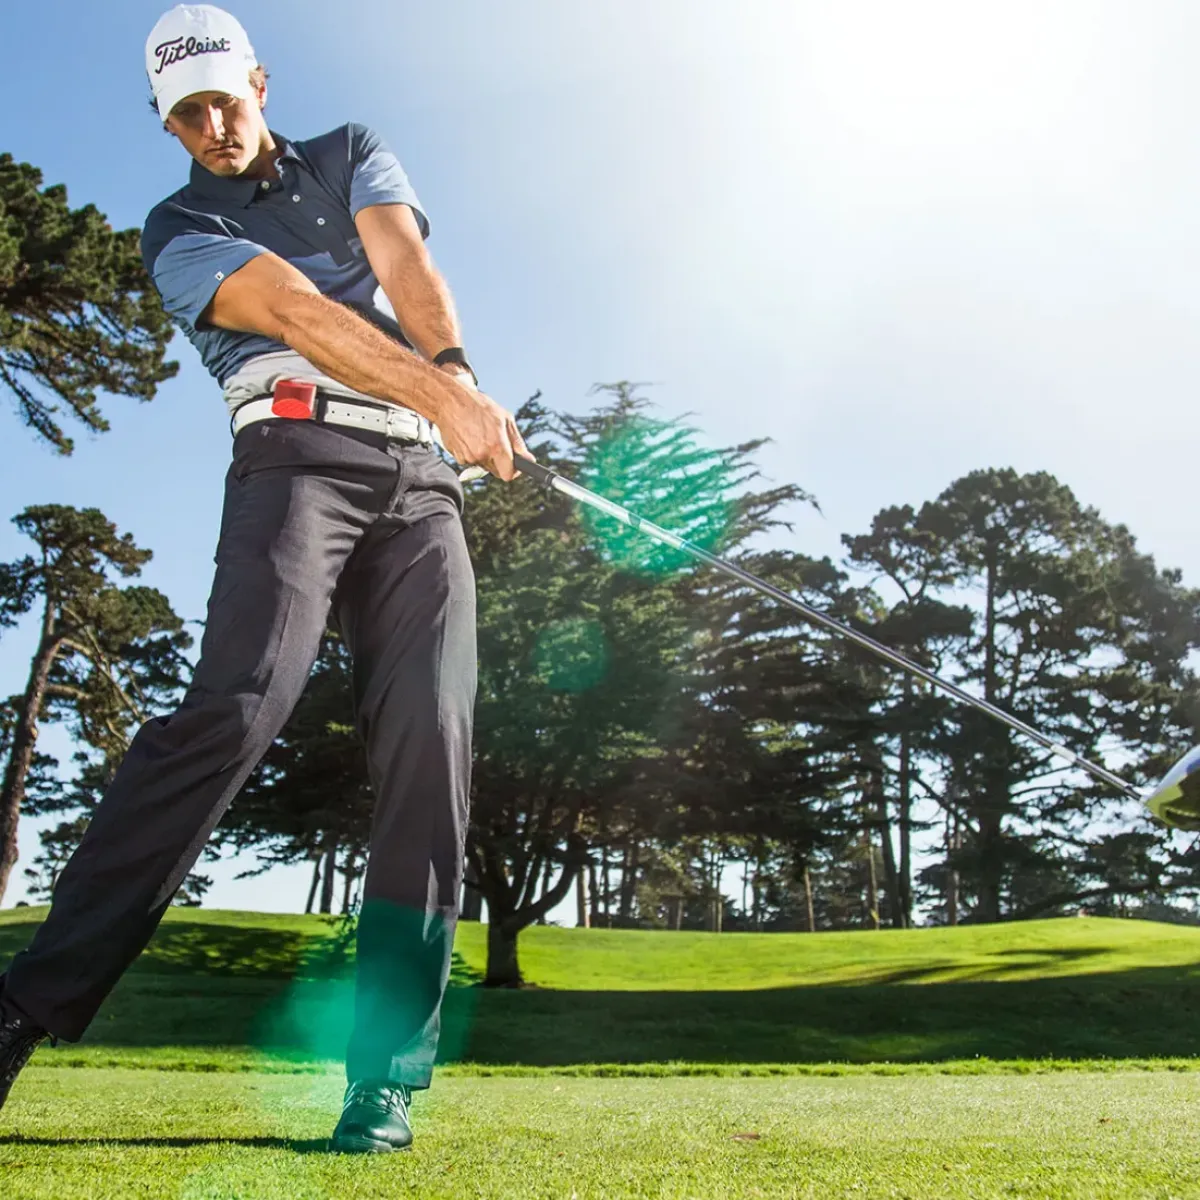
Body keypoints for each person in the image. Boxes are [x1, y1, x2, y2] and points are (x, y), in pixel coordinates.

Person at [0, 2, 529, 1154]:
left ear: (260, 83)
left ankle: (383, 1080)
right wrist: (443, 396)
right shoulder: (179, 224)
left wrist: (453, 373)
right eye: (184, 114)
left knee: (433, 740)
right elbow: (294, 310)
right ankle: (17, 1012)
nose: (210, 127)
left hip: (419, 480)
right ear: (166, 123)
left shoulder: (349, 153)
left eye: (222, 101)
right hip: (295, 461)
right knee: (236, 710)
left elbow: (405, 264)